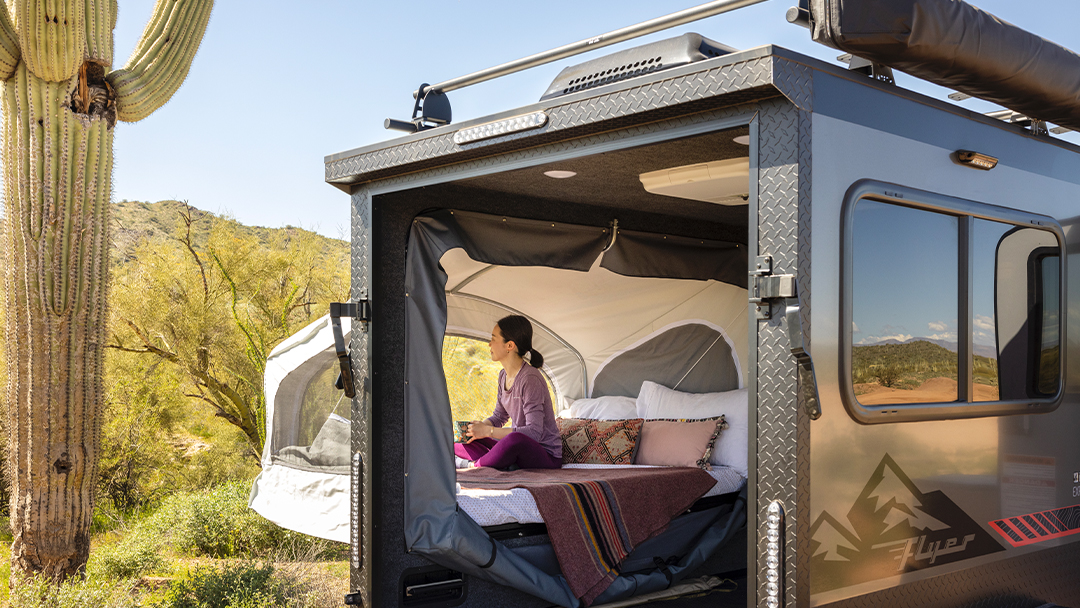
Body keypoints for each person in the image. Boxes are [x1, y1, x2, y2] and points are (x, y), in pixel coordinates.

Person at [455, 315, 562, 470]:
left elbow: (533, 433)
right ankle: (500, 462)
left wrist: (488, 431)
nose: (489, 344)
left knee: (514, 440)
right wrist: (477, 429)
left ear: (509, 345)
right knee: (461, 438)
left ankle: (474, 466)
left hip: (545, 456)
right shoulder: (503, 375)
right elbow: (499, 416)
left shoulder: (530, 378)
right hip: (518, 451)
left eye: (493, 339)